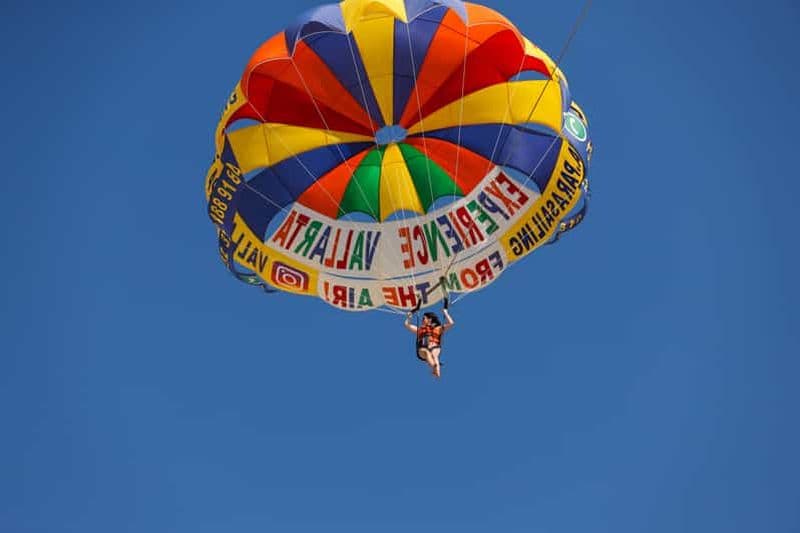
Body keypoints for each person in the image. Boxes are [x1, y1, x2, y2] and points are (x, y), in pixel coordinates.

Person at [404, 298, 455, 378]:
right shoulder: (419, 330)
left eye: (424, 318)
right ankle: (434, 366)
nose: (422, 320)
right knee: (427, 353)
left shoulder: (438, 328)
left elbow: (451, 323)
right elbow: (407, 325)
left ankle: (437, 372)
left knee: (434, 356)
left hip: (435, 346)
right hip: (423, 348)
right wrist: (409, 317)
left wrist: (445, 313)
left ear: (429, 319)